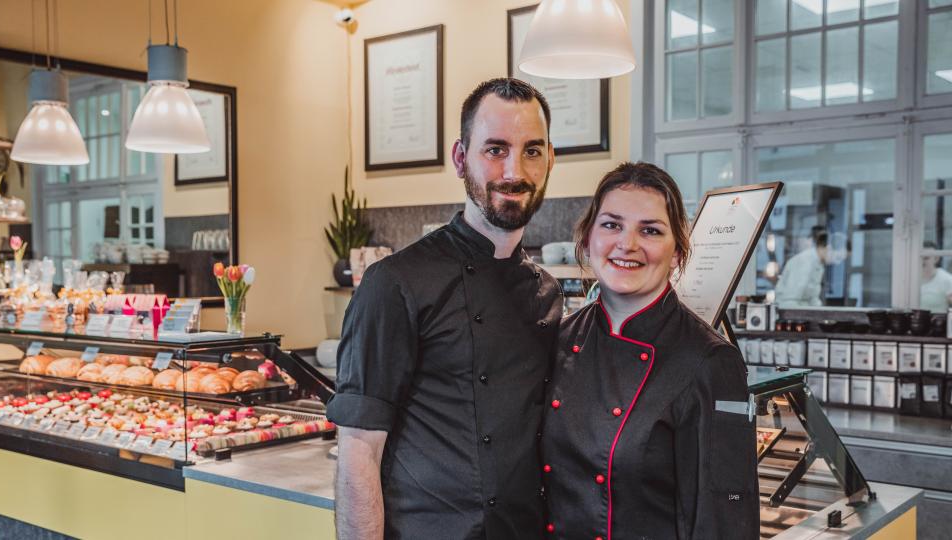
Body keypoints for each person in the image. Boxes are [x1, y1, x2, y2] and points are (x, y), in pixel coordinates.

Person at [327, 78, 562, 539]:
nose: (514, 170)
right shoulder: (395, 283)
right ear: (460, 158)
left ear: (550, 159)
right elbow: (358, 450)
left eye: (532, 151)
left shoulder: (547, 294)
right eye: (495, 149)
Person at [541, 162, 759, 539]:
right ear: (588, 239)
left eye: (651, 230)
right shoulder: (559, 337)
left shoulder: (710, 362)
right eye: (612, 225)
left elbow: (724, 520)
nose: (627, 244)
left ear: (676, 253)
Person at [774, 227, 831, 307]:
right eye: (838, 257)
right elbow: (790, 301)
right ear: (828, 248)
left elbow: (813, 298)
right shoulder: (805, 262)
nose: (837, 261)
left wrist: (824, 313)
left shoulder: (819, 265)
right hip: (789, 311)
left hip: (802, 310)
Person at [920, 242, 952, 313]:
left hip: (937, 320)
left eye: (926, 258)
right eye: (920, 257)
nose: (922, 261)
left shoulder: (946, 279)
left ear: (936, 259)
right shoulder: (909, 278)